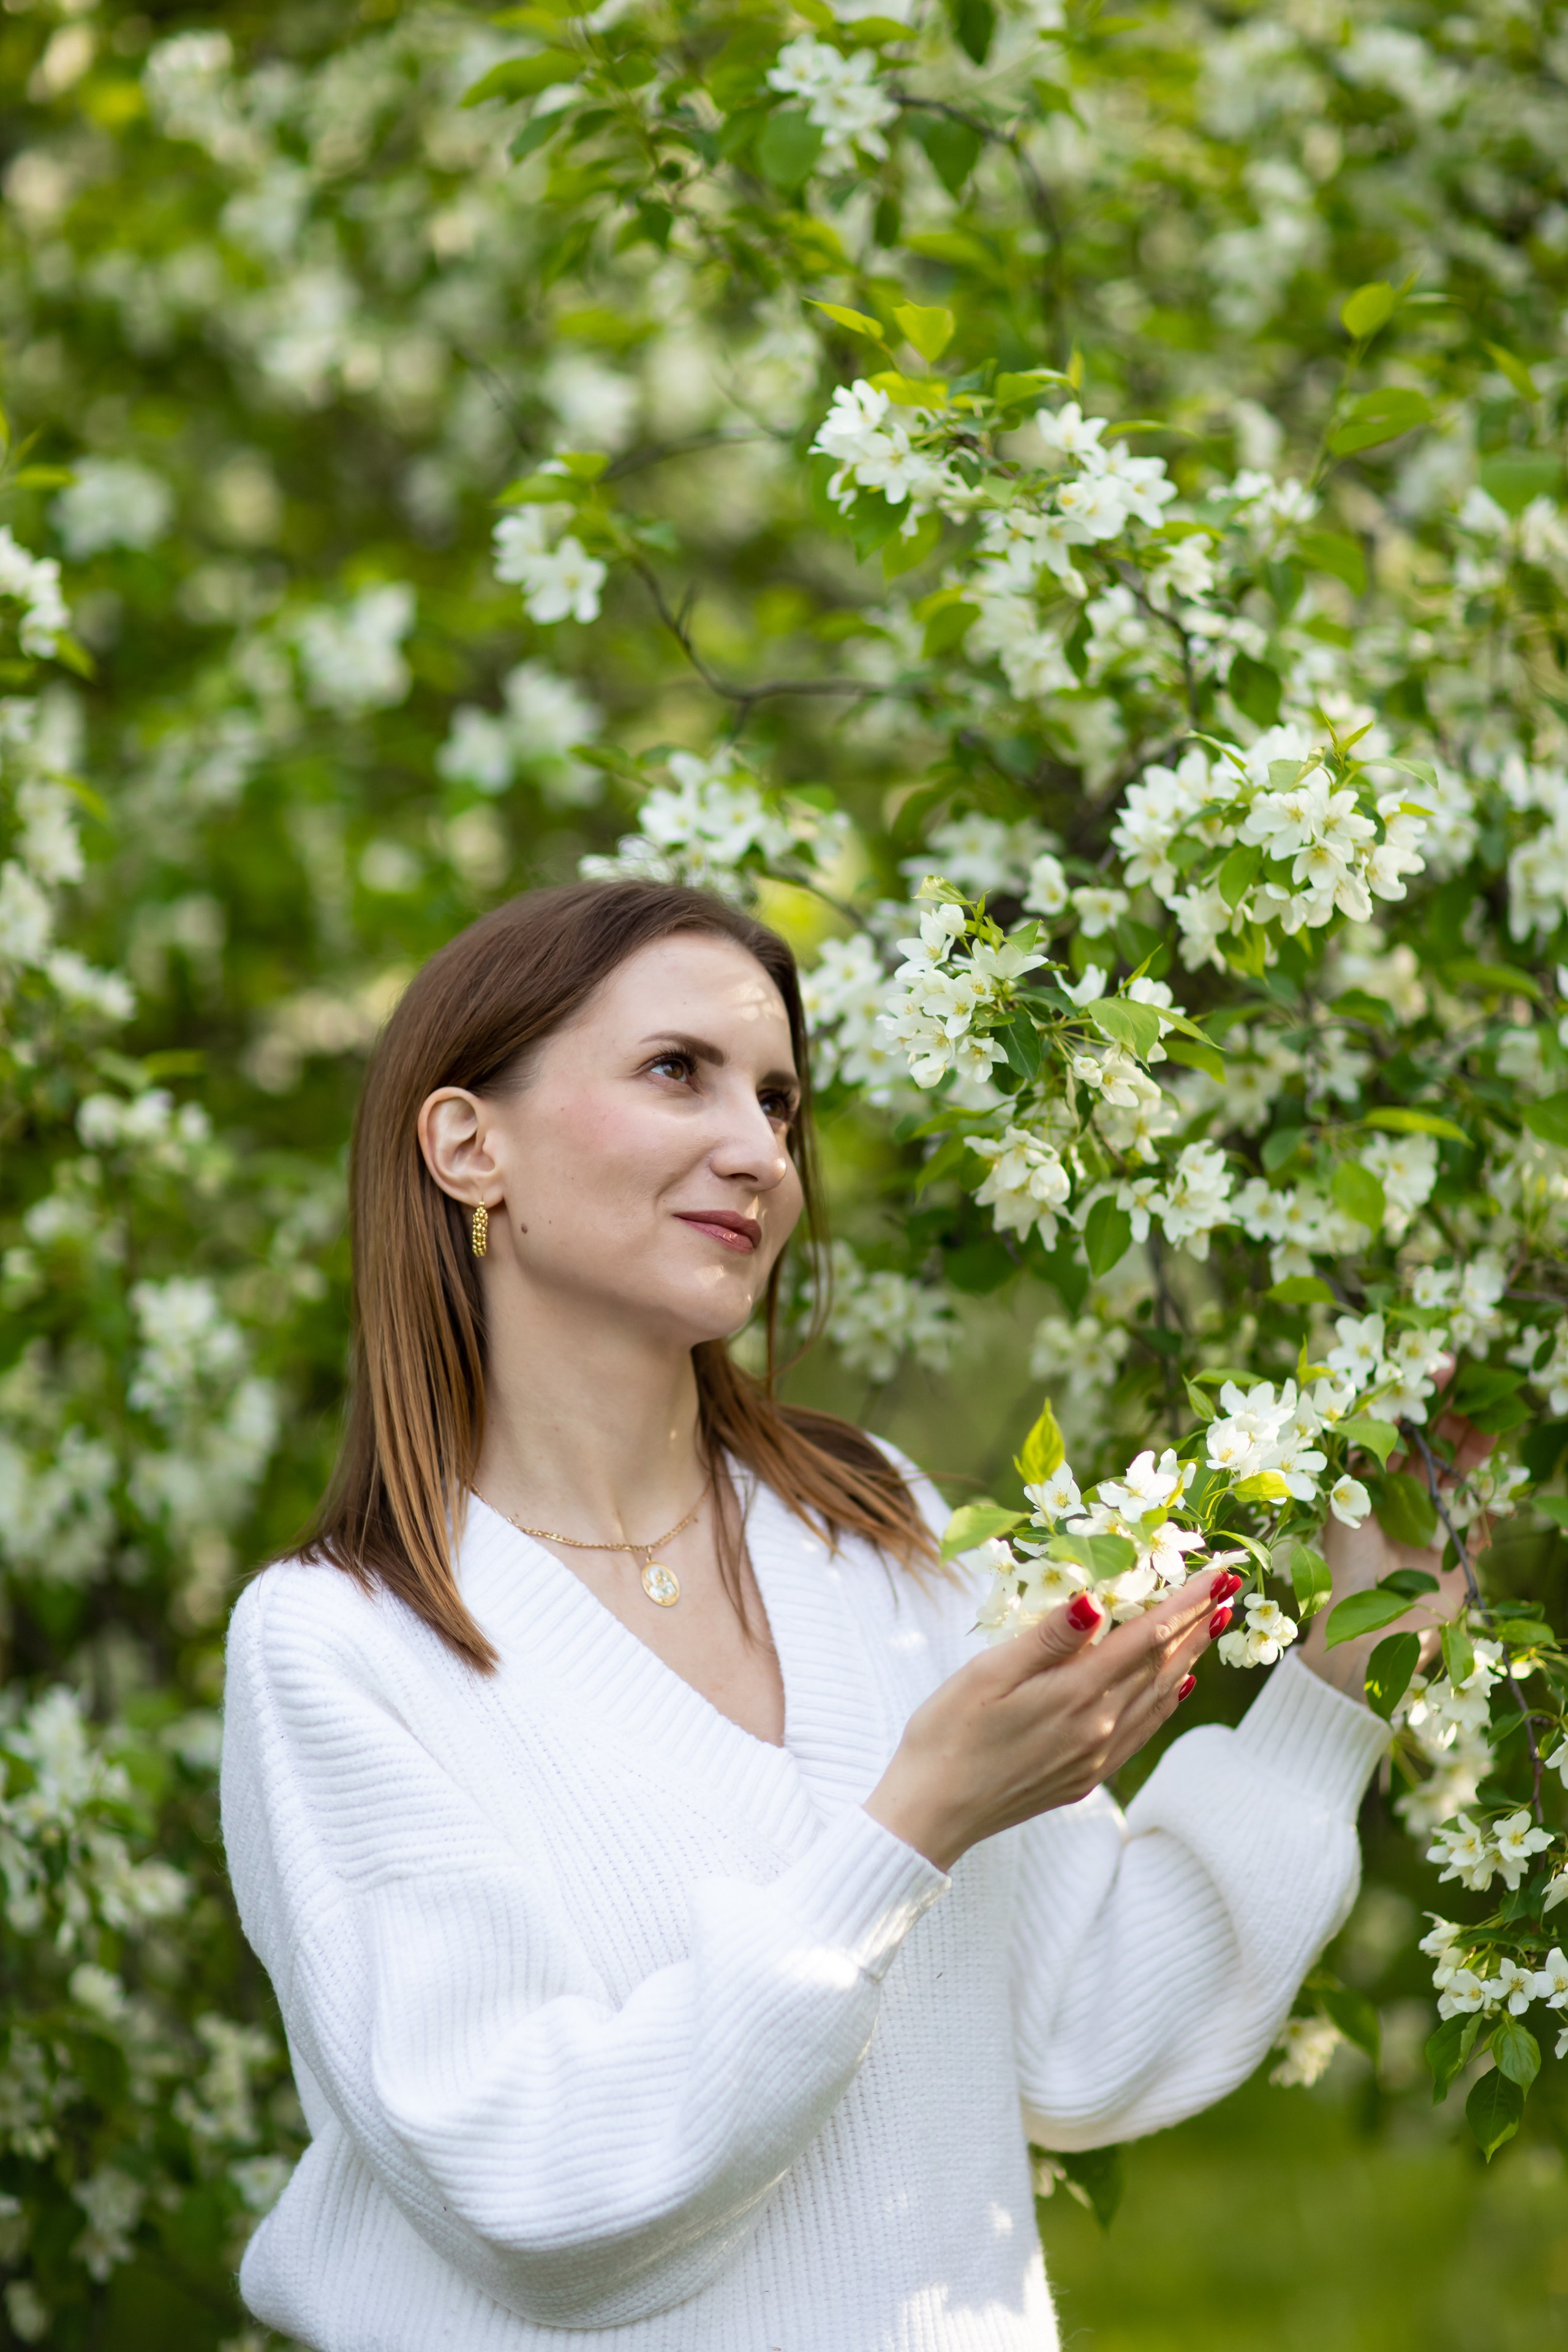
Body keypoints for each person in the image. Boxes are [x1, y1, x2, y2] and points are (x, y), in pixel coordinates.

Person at [221, 878, 1427, 2352]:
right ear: (471, 1146)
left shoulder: (873, 1529)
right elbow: (536, 2186)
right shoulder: (342, 1647)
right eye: (680, 1073)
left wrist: (1348, 1660)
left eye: (780, 1102)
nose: (760, 1155)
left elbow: (1085, 2036)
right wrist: (909, 1826)